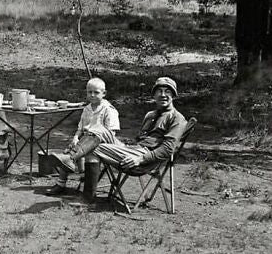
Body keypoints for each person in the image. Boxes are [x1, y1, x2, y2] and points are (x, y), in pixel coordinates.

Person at [49, 76, 186, 192]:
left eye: (167, 92)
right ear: (154, 95)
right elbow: (140, 139)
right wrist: (126, 147)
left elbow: (168, 149)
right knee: (98, 128)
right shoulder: (150, 115)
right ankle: (71, 157)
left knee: (93, 148)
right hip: (133, 149)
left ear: (173, 95)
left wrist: (141, 159)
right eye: (159, 91)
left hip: (145, 159)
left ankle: (87, 195)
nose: (163, 95)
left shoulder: (177, 119)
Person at [46, 77, 120, 195]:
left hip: (102, 142)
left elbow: (111, 133)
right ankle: (61, 183)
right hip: (84, 141)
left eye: (96, 92)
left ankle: (83, 178)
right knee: (70, 149)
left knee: (80, 151)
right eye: (89, 92)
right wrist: (75, 138)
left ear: (104, 93)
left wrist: (93, 138)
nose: (92, 95)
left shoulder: (109, 110)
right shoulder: (87, 109)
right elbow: (80, 128)